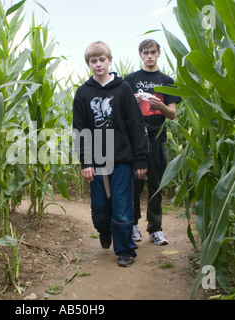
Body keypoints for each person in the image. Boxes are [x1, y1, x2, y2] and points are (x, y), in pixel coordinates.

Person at [73, 41, 149, 267]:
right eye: (93, 61)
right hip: (96, 161)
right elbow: (80, 129)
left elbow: (136, 124)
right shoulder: (83, 92)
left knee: (122, 205)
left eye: (102, 59)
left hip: (122, 159)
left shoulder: (123, 88)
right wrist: (85, 161)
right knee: (100, 210)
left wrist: (140, 159)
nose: (98, 64)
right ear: (89, 64)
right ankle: (105, 231)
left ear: (109, 61)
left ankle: (125, 250)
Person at [124, 39, 181, 246]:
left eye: (153, 52)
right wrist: (134, 102)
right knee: (134, 183)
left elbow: (172, 114)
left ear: (159, 54)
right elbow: (122, 111)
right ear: (140, 54)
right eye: (145, 52)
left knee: (157, 184)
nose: (149, 56)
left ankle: (155, 229)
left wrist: (160, 105)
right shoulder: (130, 80)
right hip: (135, 139)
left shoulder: (167, 81)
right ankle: (132, 225)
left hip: (158, 138)